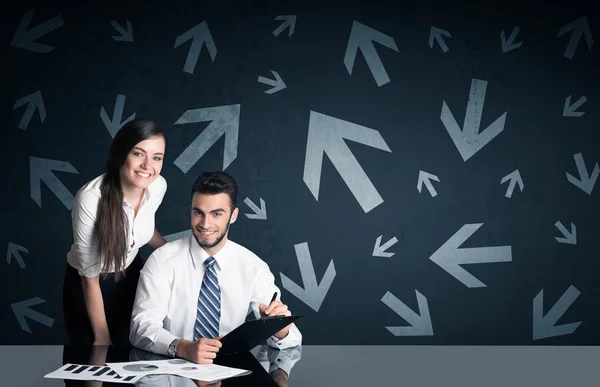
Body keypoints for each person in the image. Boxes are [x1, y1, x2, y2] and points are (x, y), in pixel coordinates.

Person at [130, 171, 302, 384]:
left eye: (216, 213)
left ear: (234, 215)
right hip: (171, 375)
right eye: (198, 212)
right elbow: (141, 327)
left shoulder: (253, 267)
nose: (205, 224)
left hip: (231, 373)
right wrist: (182, 347)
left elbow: (292, 341)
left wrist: (281, 329)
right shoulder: (162, 261)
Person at [62, 119, 169, 346]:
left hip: (131, 274)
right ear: (122, 154)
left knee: (133, 355)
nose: (148, 166)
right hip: (91, 284)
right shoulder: (90, 199)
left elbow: (144, 227)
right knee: (95, 360)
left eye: (157, 158)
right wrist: (102, 339)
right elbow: (89, 279)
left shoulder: (158, 186)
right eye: (139, 154)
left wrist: (174, 254)